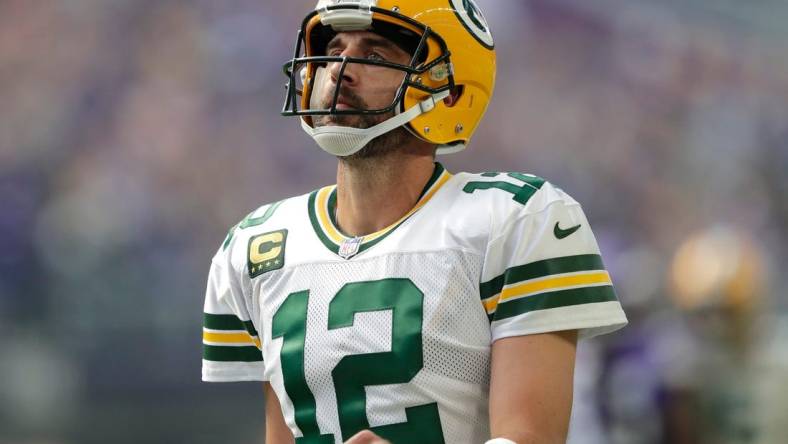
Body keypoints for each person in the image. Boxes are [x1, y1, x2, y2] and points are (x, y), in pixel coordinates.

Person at [201, 1, 628, 443]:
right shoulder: (258, 244)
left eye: (376, 54)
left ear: (451, 91)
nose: (339, 70)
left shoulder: (518, 219)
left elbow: (532, 438)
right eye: (332, 49)